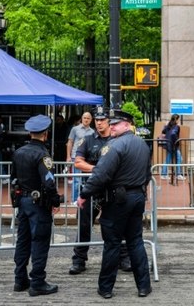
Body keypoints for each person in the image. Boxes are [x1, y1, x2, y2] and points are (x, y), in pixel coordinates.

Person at [76, 109, 152, 299]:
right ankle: (144, 286)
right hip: (137, 197)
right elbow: (148, 173)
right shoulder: (142, 144)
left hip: (118, 200)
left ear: (127, 125)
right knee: (136, 242)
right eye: (112, 124)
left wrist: (84, 194)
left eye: (115, 124)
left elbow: (100, 174)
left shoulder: (114, 146)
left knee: (112, 244)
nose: (111, 127)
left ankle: (106, 288)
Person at [69, 106, 131, 275]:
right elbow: (78, 162)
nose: (99, 123)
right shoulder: (87, 140)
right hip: (92, 189)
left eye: (102, 120)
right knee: (84, 225)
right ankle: (79, 260)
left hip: (112, 190)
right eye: (97, 120)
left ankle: (123, 258)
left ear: (109, 122)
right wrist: (98, 169)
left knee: (119, 225)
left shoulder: (116, 139)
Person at [11, 114, 63, 297]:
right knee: (40, 241)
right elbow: (49, 182)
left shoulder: (19, 152)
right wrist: (56, 200)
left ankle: (20, 279)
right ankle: (38, 282)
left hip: (23, 202)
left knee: (23, 241)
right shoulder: (43, 155)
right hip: (38, 204)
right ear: (45, 134)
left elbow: (13, 178)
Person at [67, 112, 94, 201]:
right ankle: (75, 200)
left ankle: (85, 200)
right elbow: (70, 142)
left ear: (91, 120)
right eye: (84, 118)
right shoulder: (75, 129)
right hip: (76, 156)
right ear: (81, 119)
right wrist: (68, 156)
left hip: (88, 158)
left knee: (87, 180)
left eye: (88, 118)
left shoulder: (93, 132)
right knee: (77, 180)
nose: (86, 120)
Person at [161, 114, 184, 181]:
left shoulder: (168, 125)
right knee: (179, 158)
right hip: (173, 145)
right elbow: (173, 134)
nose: (179, 120)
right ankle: (178, 174)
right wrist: (177, 141)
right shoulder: (176, 127)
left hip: (168, 144)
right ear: (176, 119)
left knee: (168, 159)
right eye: (178, 119)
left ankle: (164, 174)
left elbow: (163, 131)